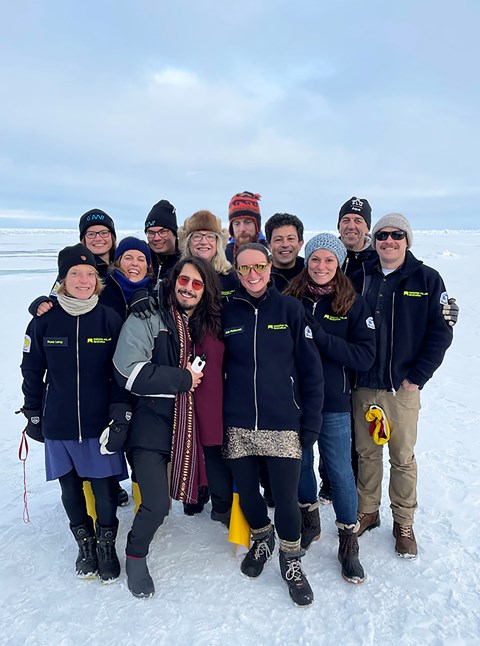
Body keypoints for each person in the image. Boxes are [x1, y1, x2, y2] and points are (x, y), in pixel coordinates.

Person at [113, 256, 223, 598]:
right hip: (150, 423)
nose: (188, 288)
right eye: (183, 280)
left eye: (197, 283)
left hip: (193, 425)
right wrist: (183, 379)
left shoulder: (206, 324)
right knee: (157, 504)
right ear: (173, 280)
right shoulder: (147, 316)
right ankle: (135, 554)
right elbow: (126, 371)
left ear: (205, 292)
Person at [20, 244, 130, 582]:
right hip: (59, 421)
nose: (83, 280)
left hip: (99, 424)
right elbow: (31, 368)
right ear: (62, 279)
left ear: (97, 280)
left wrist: (120, 413)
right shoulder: (44, 320)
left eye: (89, 274)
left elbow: (121, 372)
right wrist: (33, 412)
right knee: (69, 489)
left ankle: (107, 545)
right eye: (74, 274)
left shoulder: (110, 318)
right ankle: (85, 544)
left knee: (103, 489)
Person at [222, 242, 323, 607]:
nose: (253, 275)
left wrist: (310, 422)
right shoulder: (225, 312)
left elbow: (312, 371)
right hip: (238, 423)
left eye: (259, 267)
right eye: (244, 268)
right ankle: (262, 539)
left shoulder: (291, 309)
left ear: (269, 267)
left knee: (286, 499)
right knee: (249, 495)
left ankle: (291, 558)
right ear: (236, 271)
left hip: (284, 423)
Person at [352, 213, 453, 558]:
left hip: (402, 388)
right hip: (364, 384)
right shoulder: (360, 275)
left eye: (397, 235)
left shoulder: (426, 279)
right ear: (375, 240)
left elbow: (441, 332)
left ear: (407, 240)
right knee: (367, 454)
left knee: (402, 457)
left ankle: (403, 521)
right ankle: (368, 511)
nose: (389, 241)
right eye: (382, 235)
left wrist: (417, 378)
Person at [285, 234, 375, 584]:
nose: (321, 266)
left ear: (338, 264)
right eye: (315, 259)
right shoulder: (291, 297)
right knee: (302, 463)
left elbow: (364, 356)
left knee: (339, 469)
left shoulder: (352, 303)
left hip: (334, 401)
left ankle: (348, 538)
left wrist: (322, 338)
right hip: (296, 400)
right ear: (307, 260)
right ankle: (310, 518)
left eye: (329, 260)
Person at [338, 196, 459, 325]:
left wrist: (443, 310)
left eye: (358, 220)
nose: (351, 226)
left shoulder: (383, 260)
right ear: (338, 225)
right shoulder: (325, 258)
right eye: (346, 220)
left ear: (367, 227)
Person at [179, 209, 238, 300]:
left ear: (217, 242)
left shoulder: (231, 278)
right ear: (188, 243)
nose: (204, 242)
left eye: (210, 236)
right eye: (197, 236)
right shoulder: (176, 275)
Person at [101, 237, 153, 320]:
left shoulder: (154, 297)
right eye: (128, 258)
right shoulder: (101, 292)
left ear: (147, 267)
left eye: (141, 259)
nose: (135, 263)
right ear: (118, 262)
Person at [264, 213, 305, 292]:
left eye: (290, 239)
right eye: (278, 240)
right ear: (268, 245)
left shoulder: (310, 272)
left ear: (300, 243)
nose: (285, 245)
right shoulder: (258, 273)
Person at [144, 199, 180, 283]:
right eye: (151, 233)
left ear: (175, 233)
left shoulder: (186, 261)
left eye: (163, 232)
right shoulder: (141, 258)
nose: (156, 238)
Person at [225, 191, 263, 263]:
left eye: (247, 222)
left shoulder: (271, 253)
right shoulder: (222, 259)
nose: (242, 229)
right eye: (237, 224)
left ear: (257, 225)